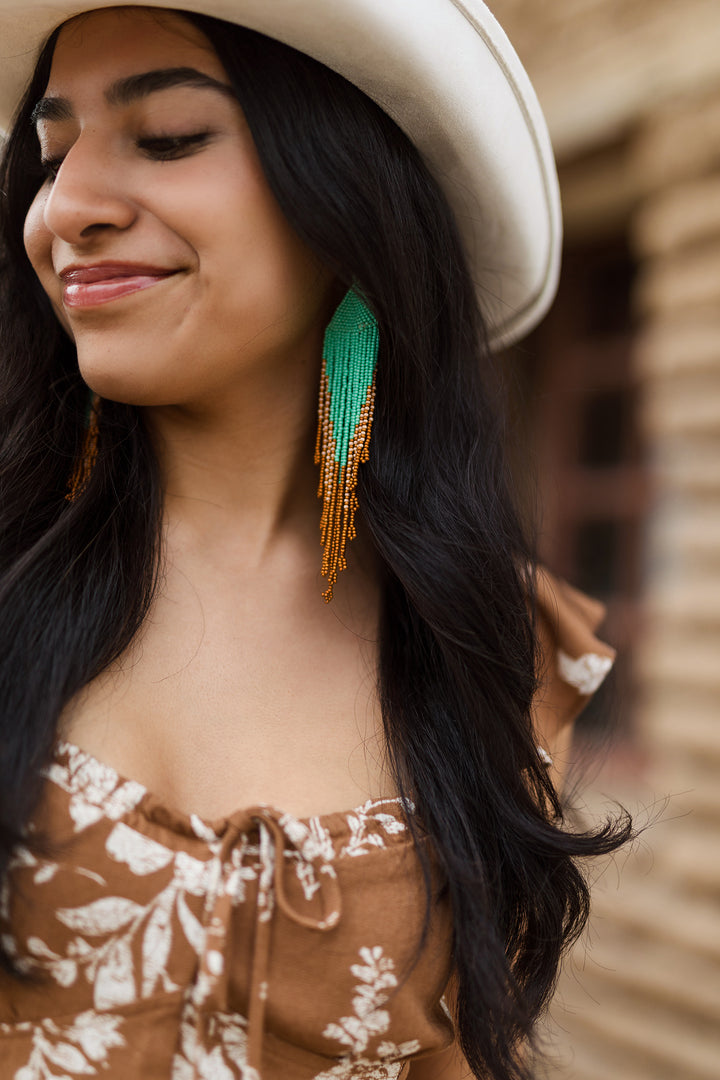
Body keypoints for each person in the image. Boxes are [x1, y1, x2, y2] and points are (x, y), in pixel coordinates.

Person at [0, 3, 630, 1079]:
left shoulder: (495, 643)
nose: (67, 209)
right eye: (50, 156)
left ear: (348, 204)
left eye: (168, 137)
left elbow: (467, 1052)